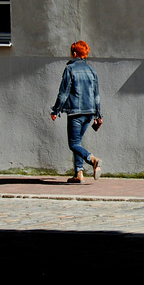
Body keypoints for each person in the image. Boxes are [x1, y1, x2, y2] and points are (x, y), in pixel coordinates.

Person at [51, 41, 102, 183]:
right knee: (78, 143)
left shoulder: (70, 69)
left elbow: (63, 93)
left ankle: (92, 160)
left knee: (73, 144)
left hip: (76, 112)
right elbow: (96, 95)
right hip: (90, 112)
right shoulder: (92, 70)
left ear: (74, 53)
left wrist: (56, 110)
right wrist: (98, 115)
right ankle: (78, 174)